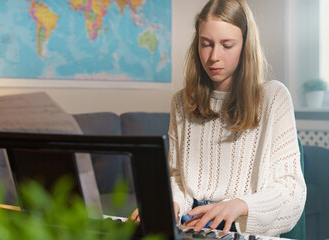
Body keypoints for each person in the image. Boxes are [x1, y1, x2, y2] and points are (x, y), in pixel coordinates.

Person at [130, 0, 306, 237]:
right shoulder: (181, 102)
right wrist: (168, 204)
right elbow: (178, 178)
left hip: (242, 223)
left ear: (245, 46)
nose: (214, 56)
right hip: (193, 224)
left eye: (227, 45)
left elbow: (291, 189)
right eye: (206, 44)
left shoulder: (274, 97)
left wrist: (238, 205)